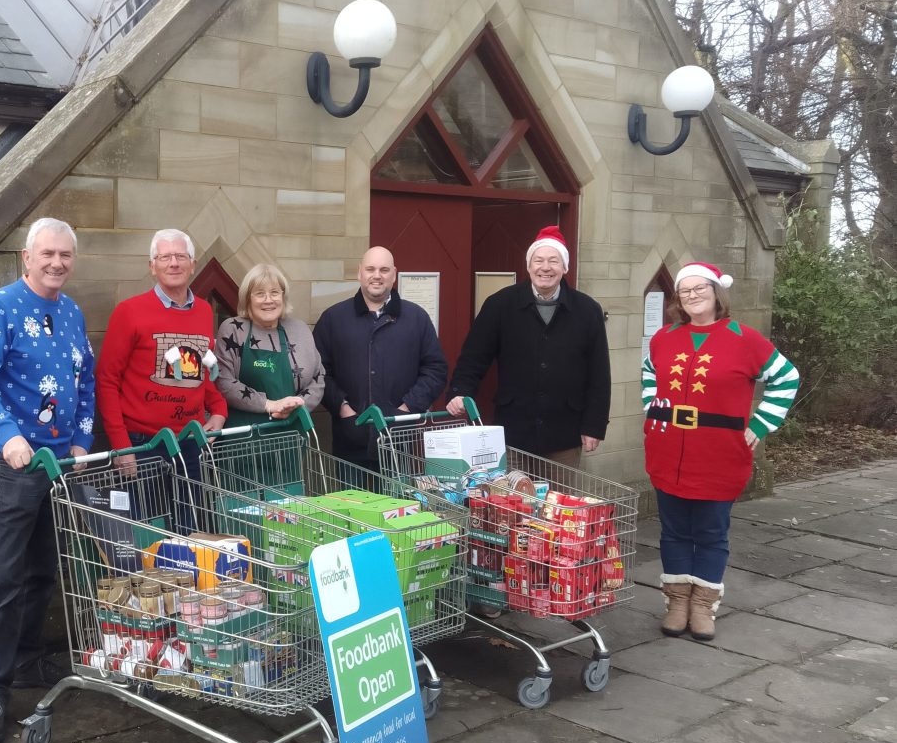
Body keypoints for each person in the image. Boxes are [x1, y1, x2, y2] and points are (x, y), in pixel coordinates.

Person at [0, 217, 95, 743]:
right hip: (15, 463)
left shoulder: (72, 312)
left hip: (62, 465)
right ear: (26, 256)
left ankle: (26, 660)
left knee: (44, 570)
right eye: (48, 254)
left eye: (65, 255)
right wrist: (5, 435)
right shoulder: (0, 306)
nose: (57, 263)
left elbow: (84, 380)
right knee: (5, 578)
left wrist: (83, 440)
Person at [643, 262, 799, 641]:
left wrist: (760, 426)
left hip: (718, 454)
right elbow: (650, 372)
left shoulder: (744, 339)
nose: (693, 295)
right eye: (686, 290)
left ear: (716, 293)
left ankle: (702, 606)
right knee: (674, 530)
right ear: (677, 298)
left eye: (701, 288)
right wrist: (653, 410)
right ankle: (677, 602)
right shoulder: (664, 338)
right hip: (668, 451)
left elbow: (786, 377)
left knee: (711, 531)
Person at [446, 226, 610, 468]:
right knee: (514, 504)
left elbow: (599, 374)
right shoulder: (500, 304)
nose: (545, 267)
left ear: (565, 267)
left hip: (564, 434)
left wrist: (594, 425)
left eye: (554, 261)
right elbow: (474, 357)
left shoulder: (587, 310)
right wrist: (460, 390)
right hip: (514, 432)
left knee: (559, 504)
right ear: (529, 266)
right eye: (539, 260)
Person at [95, 229, 227, 507]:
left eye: (181, 256)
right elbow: (107, 380)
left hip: (189, 442)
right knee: (147, 533)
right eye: (165, 257)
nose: (174, 263)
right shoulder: (129, 312)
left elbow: (203, 371)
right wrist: (121, 445)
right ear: (152, 267)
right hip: (142, 445)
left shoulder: (204, 311)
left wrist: (218, 409)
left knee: (188, 531)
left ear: (193, 264)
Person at [312, 245, 448, 472]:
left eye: (384, 270)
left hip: (399, 440)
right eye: (370, 269)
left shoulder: (416, 318)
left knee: (398, 507)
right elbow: (318, 371)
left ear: (394, 275)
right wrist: (343, 407)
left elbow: (435, 369)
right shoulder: (333, 318)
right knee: (349, 506)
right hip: (350, 439)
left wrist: (406, 409)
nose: (377, 275)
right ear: (359, 273)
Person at [215, 263, 324, 426]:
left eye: (274, 293)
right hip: (244, 438)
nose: (268, 300)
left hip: (291, 432)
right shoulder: (233, 329)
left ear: (283, 296)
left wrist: (296, 405)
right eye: (259, 294)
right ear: (247, 298)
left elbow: (318, 378)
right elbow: (223, 382)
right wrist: (269, 405)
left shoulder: (300, 330)